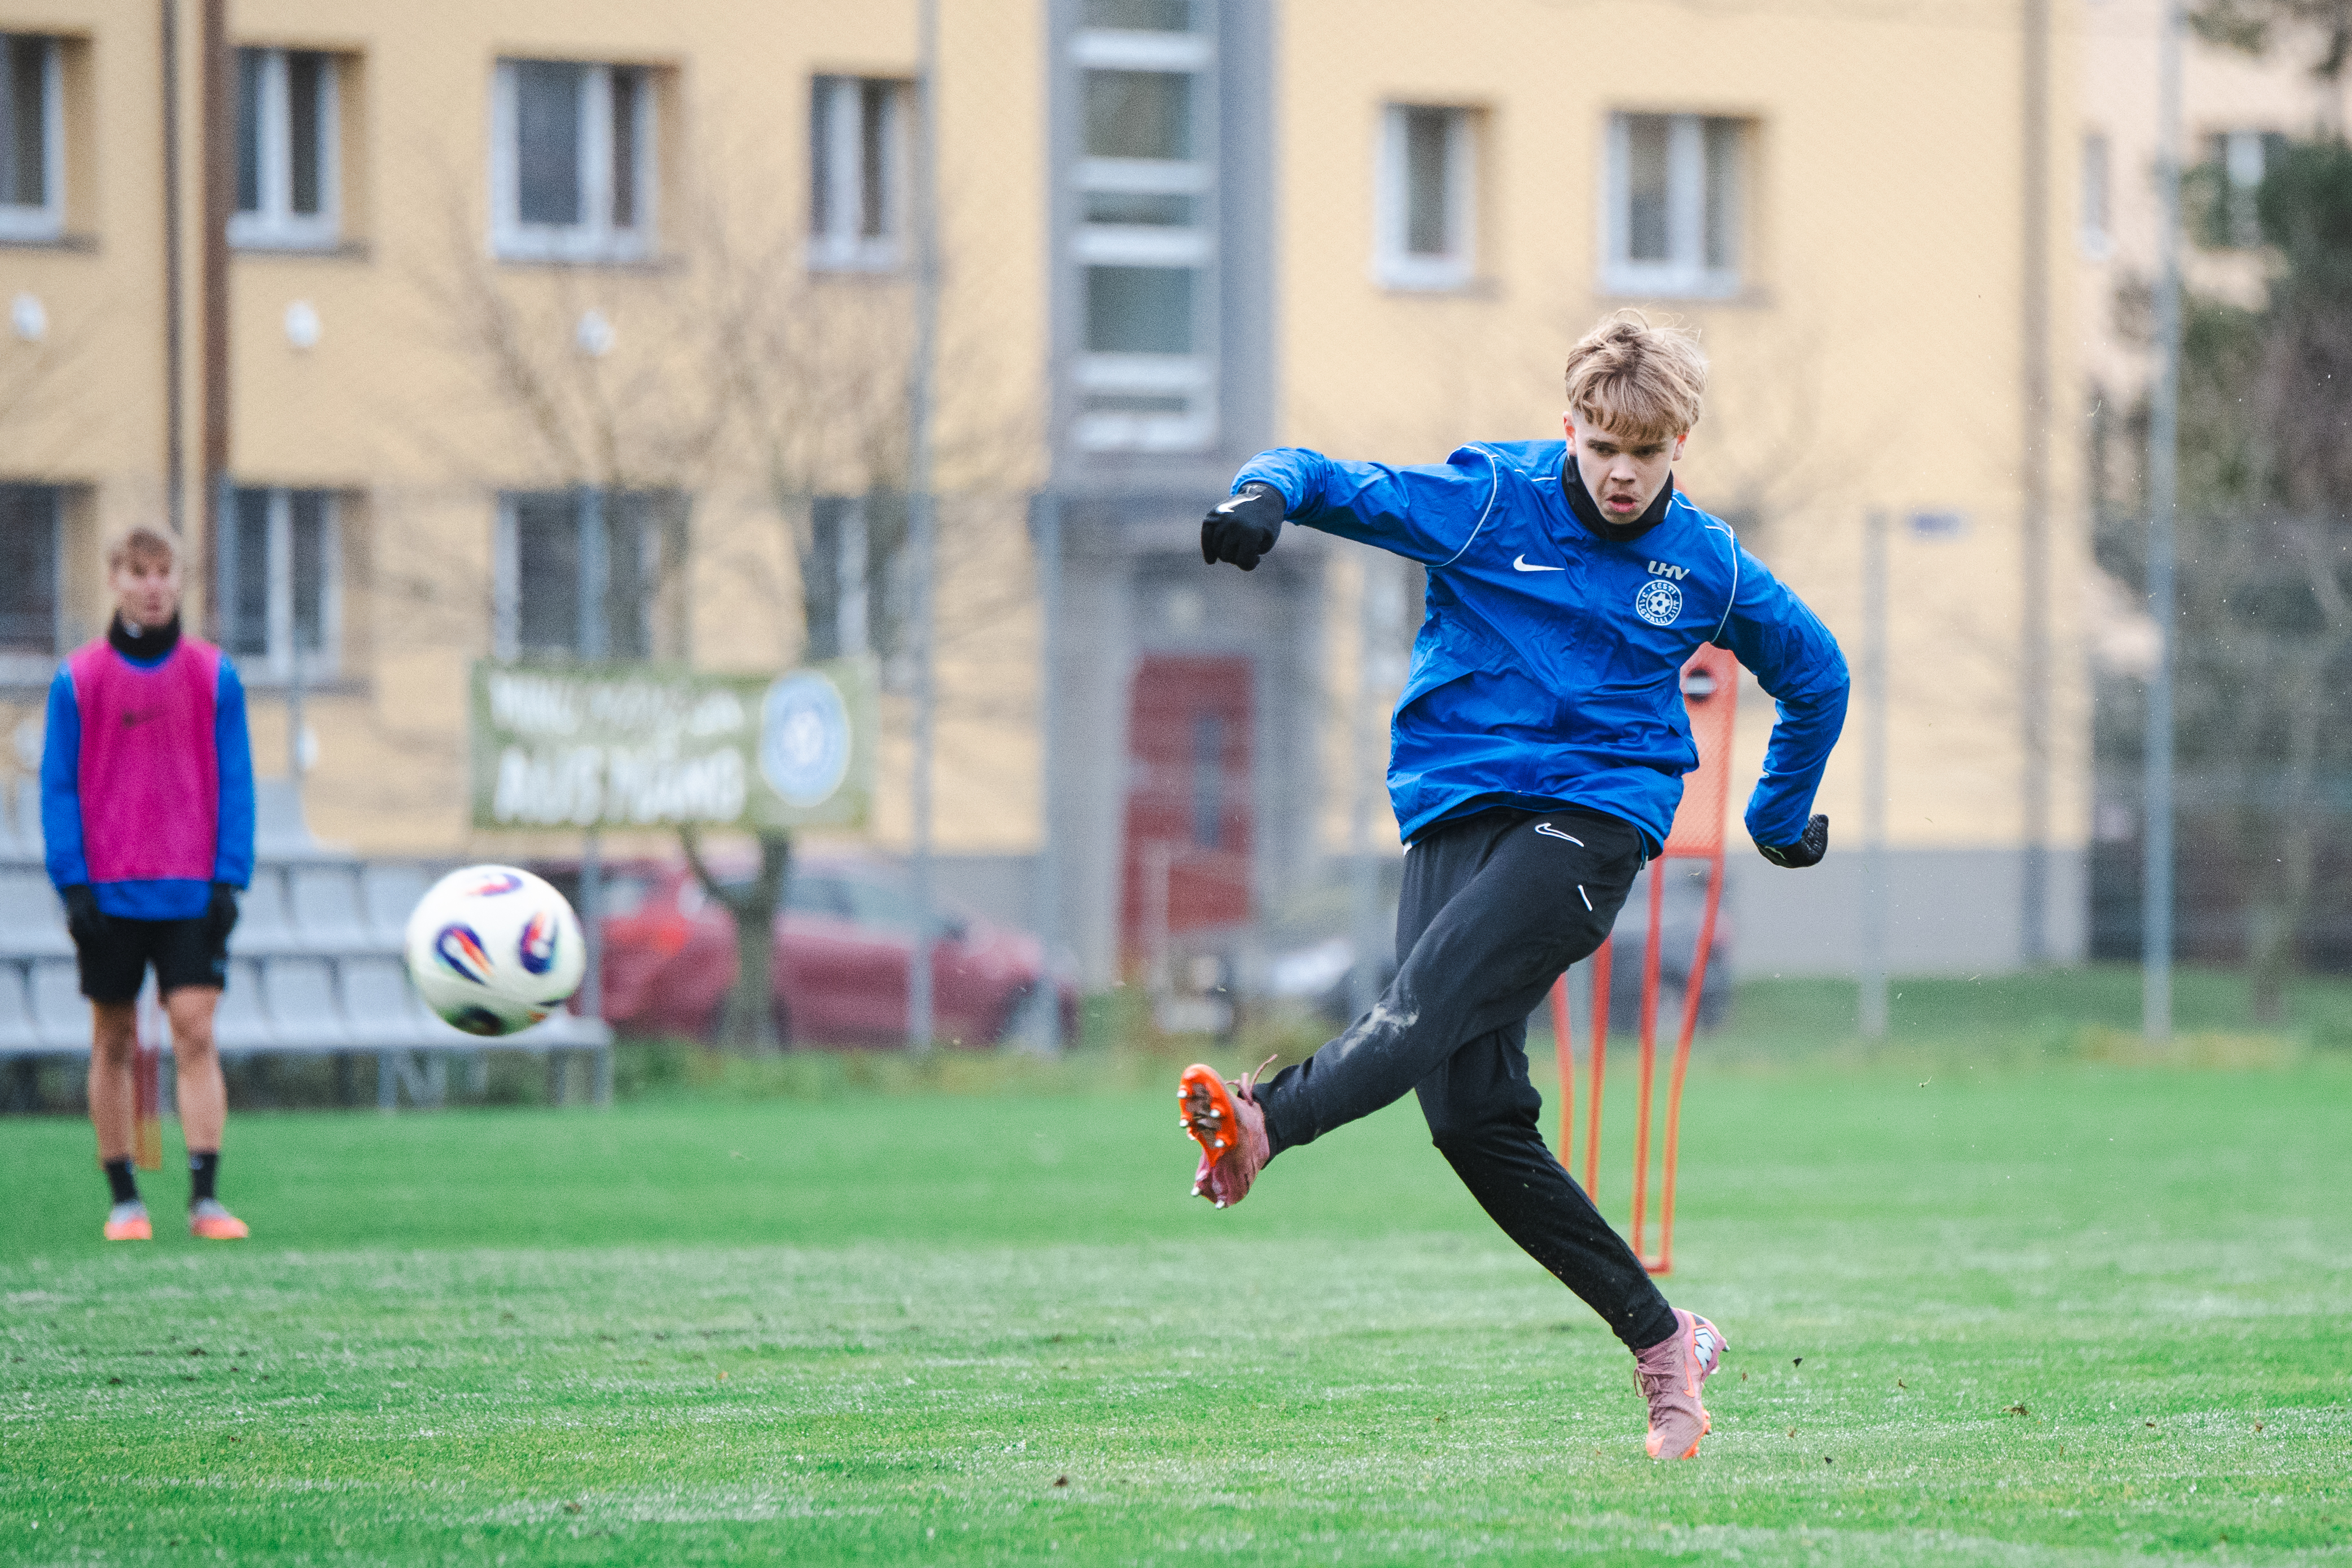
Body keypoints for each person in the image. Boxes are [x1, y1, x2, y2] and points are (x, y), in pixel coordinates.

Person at [1181, 312, 1848, 1460]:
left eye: (1648, 451)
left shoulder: (1704, 564)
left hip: (1594, 817)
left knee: (1418, 1009)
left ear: (1680, 442)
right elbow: (1330, 479)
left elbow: (1816, 674)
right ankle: (1664, 1342)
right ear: (1569, 431)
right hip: (1456, 804)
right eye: (1602, 448)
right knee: (1470, 1117)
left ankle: (1263, 1125)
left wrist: (1775, 820)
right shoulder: (1491, 499)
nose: (1624, 473)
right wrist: (1260, 498)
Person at [42, 525, 255, 1242]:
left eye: (165, 571)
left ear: (180, 578)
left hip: (191, 888)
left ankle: (205, 1199)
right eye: (140, 572)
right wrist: (72, 883)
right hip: (109, 889)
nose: (154, 585)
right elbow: (59, 787)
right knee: (112, 1037)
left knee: (195, 1030)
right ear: (115, 579)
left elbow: (236, 781)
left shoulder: (213, 674)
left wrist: (231, 877)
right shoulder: (79, 679)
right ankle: (125, 1199)